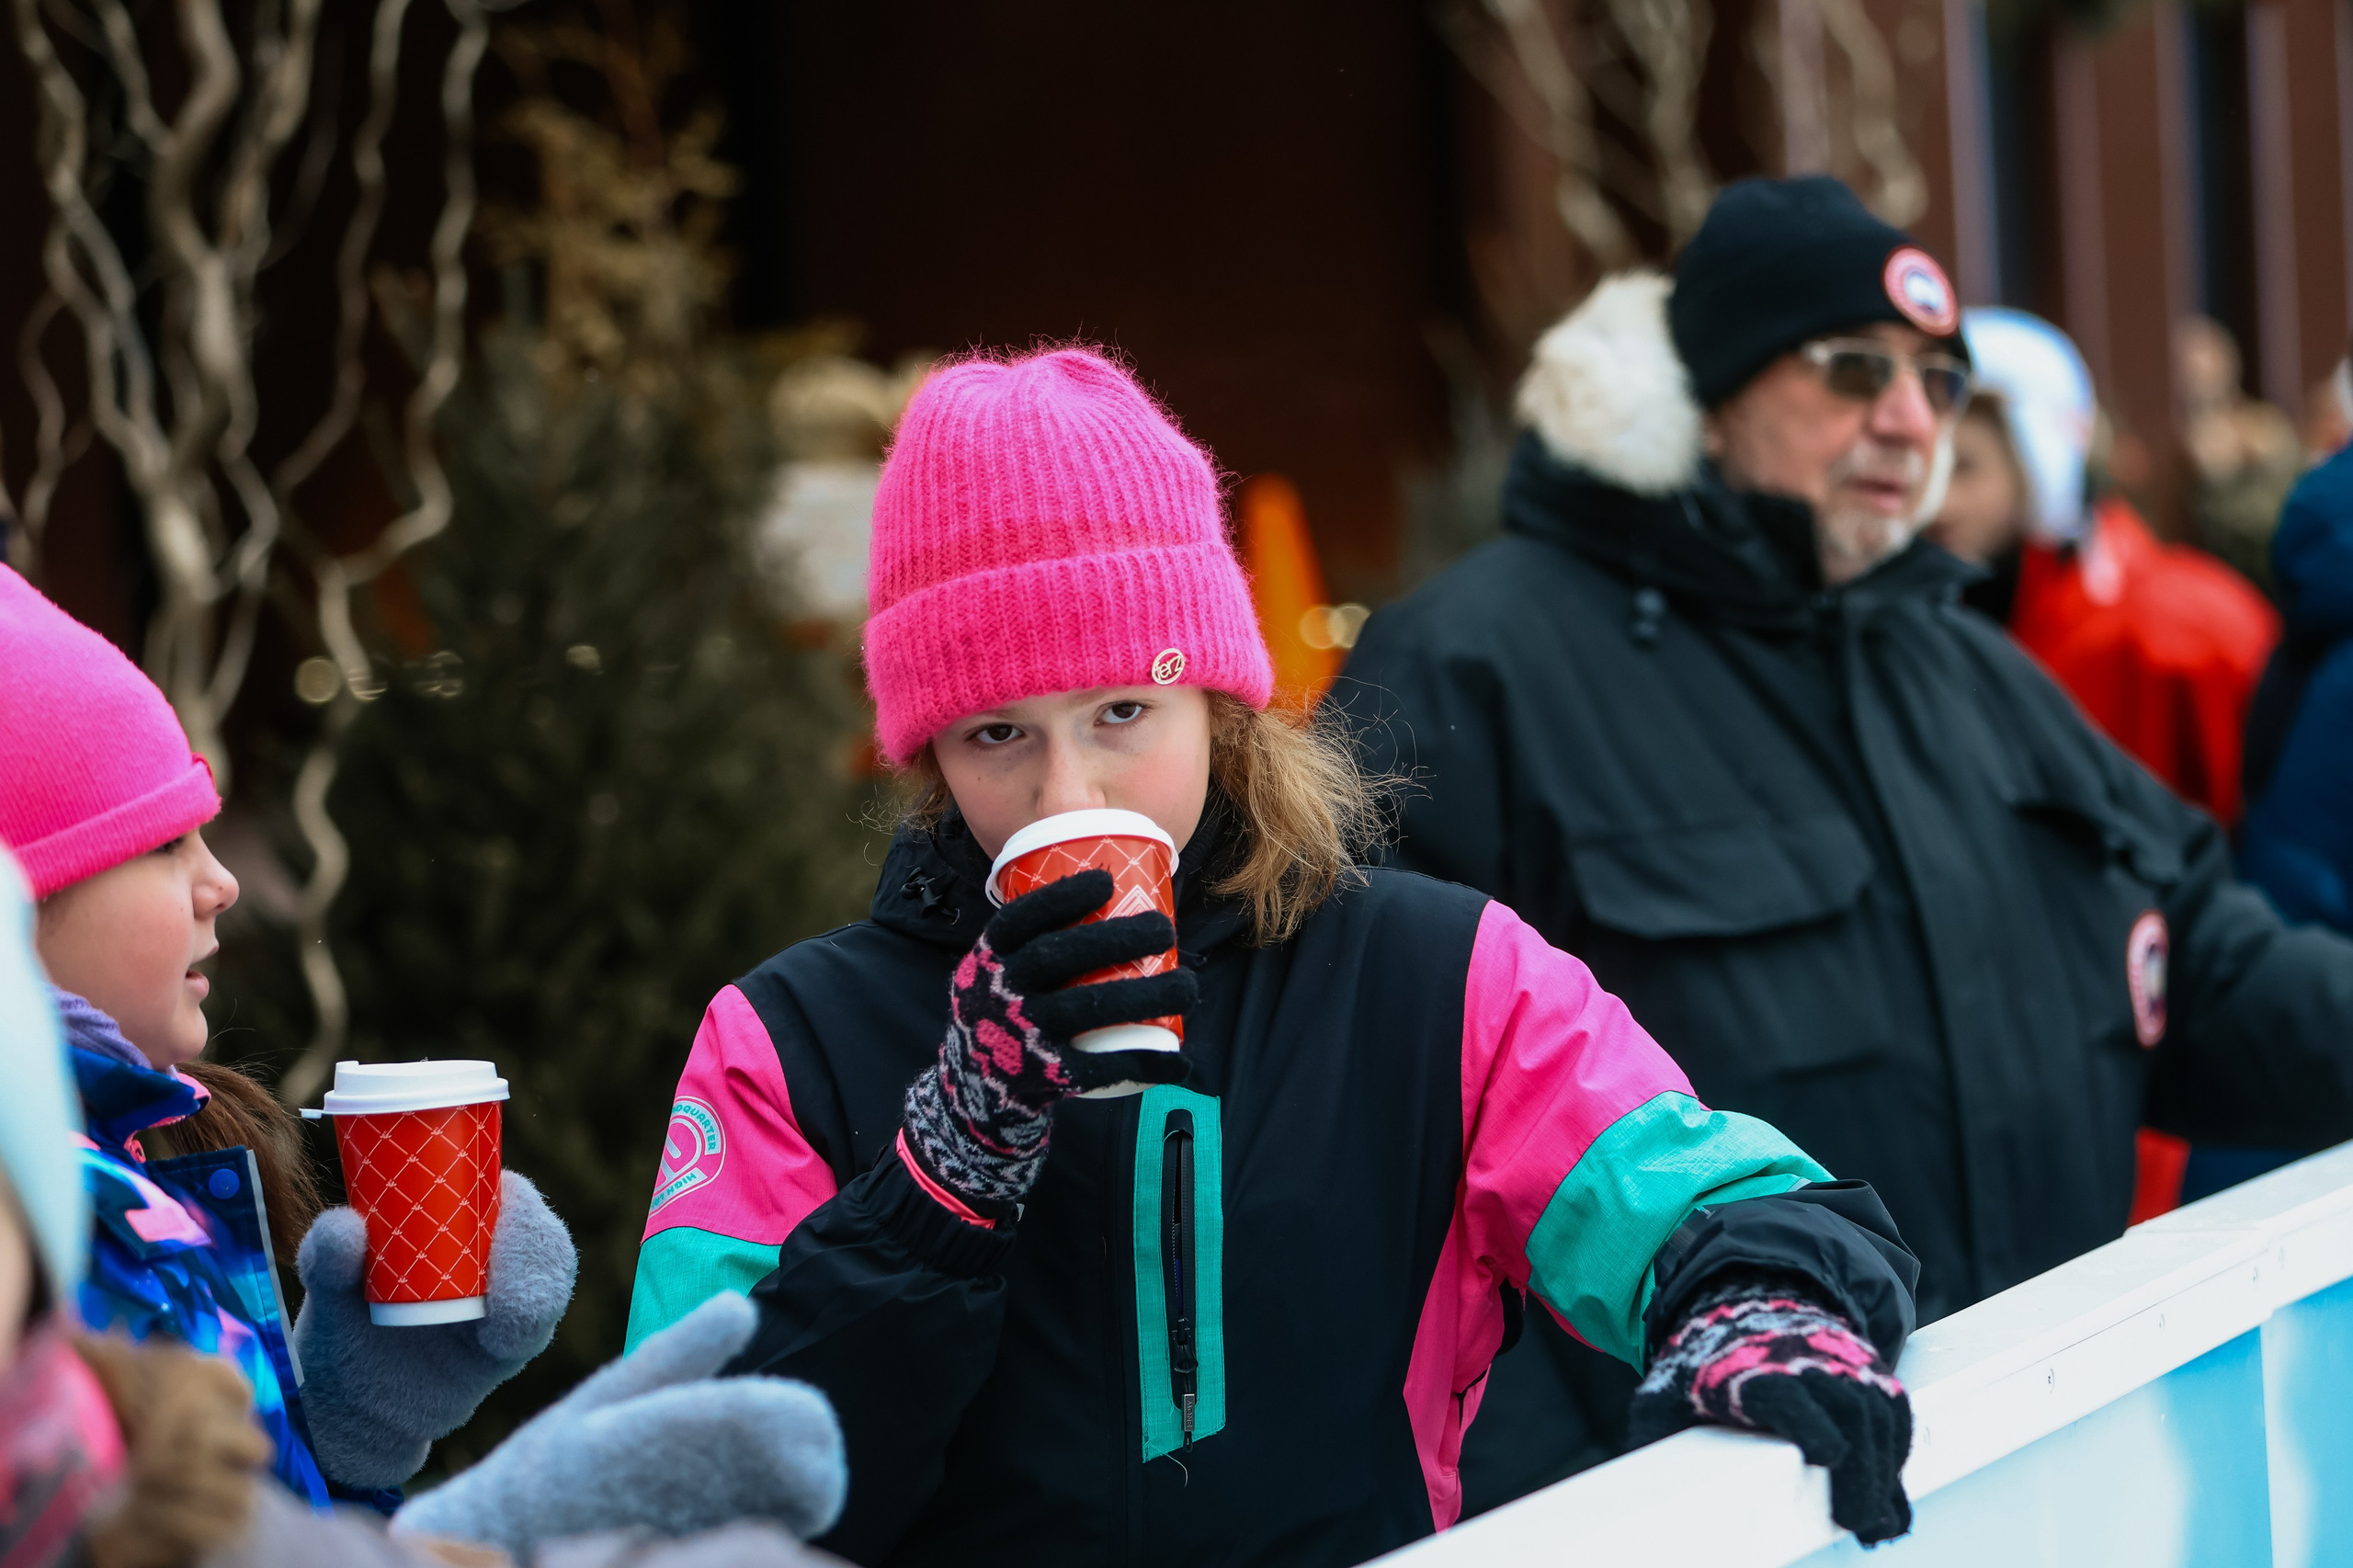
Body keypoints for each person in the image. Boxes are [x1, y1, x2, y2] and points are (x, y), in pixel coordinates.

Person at [622, 347, 1922, 1567]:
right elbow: (678, 1492)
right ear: (926, 752)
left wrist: (1762, 1303)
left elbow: (1706, 1199)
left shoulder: (1429, 973)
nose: (1066, 787)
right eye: (996, 734)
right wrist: (943, 1175)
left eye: (1123, 709)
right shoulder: (787, 1037)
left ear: (1219, 700)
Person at [1336, 175, 2353, 1514]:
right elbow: (1373, 1133)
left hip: (2043, 1462)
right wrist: (1560, 1502)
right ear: (1709, 385)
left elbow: (2207, 972)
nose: (1907, 416)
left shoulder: (1977, 673)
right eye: (1853, 369)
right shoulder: (1472, 667)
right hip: (1689, 1504)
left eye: (1940, 382)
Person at [1932, 308, 2278, 828]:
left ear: (2039, 462)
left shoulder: (2178, 630)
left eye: (1963, 467)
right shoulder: (1933, 623)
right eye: (1927, 464)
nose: (1936, 503)